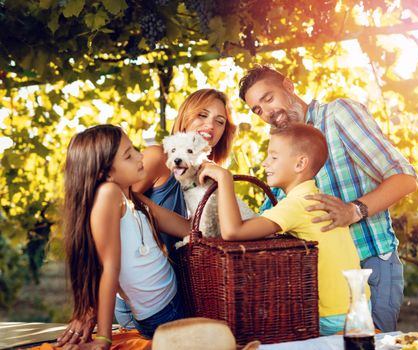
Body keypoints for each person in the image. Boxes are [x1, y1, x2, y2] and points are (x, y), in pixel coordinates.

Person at [238, 65, 418, 332]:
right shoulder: (284, 148)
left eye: (268, 98)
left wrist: (354, 210)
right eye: (257, 110)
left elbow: (405, 178)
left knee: (370, 346)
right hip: (318, 281)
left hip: (368, 267)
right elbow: (272, 214)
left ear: (288, 86)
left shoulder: (337, 115)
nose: (267, 112)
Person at [199, 123, 362, 335]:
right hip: (354, 306)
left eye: (274, 157)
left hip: (331, 316)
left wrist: (225, 179)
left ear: (300, 163)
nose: (265, 163)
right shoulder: (315, 197)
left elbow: (233, 232)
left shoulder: (298, 204)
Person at [112, 88, 236, 330]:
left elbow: (203, 234)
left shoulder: (208, 175)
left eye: (219, 122)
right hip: (146, 299)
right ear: (185, 116)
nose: (210, 125)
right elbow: (119, 200)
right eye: (202, 115)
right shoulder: (158, 156)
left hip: (182, 291)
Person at [57, 125, 191, 349]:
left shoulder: (133, 197)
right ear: (105, 173)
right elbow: (109, 269)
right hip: (163, 315)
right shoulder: (108, 195)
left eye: (135, 149)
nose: (140, 156)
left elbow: (187, 228)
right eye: (128, 155)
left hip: (174, 298)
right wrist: (103, 338)